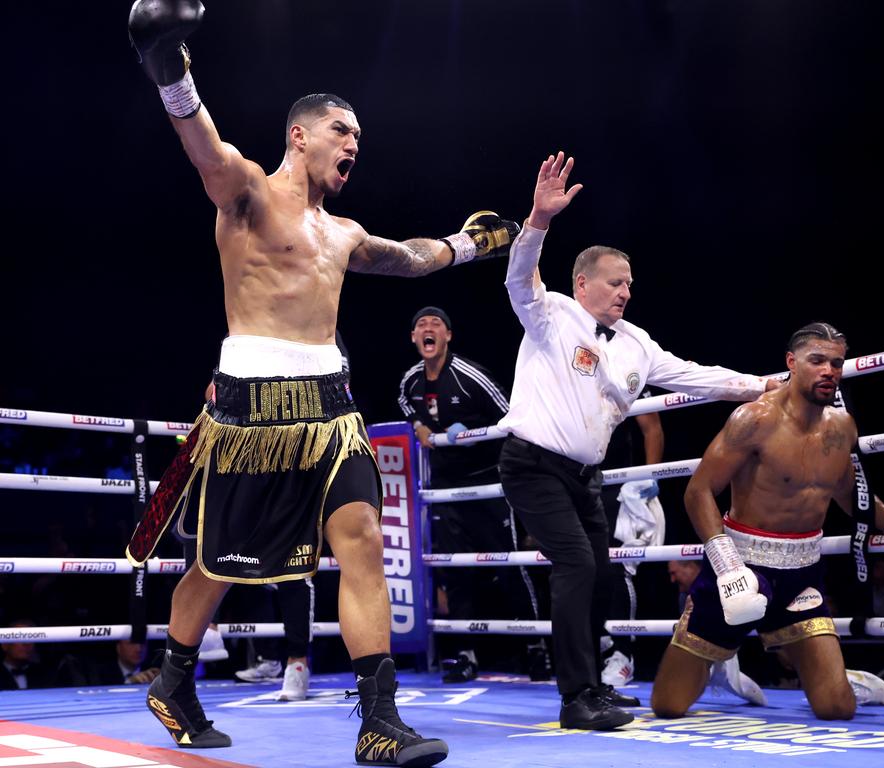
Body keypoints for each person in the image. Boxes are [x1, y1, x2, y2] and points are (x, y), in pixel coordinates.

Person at [126, 3, 518, 763]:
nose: (354, 148)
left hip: (334, 412)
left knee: (363, 541)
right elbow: (201, 145)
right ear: (299, 135)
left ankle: (379, 721)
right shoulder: (244, 193)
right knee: (218, 563)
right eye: (344, 132)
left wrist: (472, 244)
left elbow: (408, 258)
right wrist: (165, 57)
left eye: (360, 140)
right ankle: (173, 681)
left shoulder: (340, 233)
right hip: (254, 412)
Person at [497, 151, 778, 730]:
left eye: (630, 283)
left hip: (584, 476)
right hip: (531, 464)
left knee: (599, 575)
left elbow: (691, 374)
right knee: (575, 565)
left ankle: (596, 685)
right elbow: (517, 277)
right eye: (616, 281)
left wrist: (759, 386)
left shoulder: (636, 343)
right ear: (583, 283)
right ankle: (576, 697)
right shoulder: (550, 312)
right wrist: (539, 220)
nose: (626, 291)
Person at [650, 322, 884, 720]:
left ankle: (845, 680)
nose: (829, 371)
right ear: (791, 362)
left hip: (802, 573)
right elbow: (697, 491)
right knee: (667, 705)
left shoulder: (842, 428)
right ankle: (719, 664)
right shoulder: (754, 419)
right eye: (817, 361)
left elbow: (848, 496)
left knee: (837, 708)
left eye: (836, 363)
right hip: (739, 566)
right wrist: (727, 566)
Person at [398, 306, 546, 683]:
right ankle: (464, 654)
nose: (427, 329)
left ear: (448, 336)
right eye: (421, 325)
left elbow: (510, 418)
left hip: (487, 483)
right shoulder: (412, 381)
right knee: (456, 569)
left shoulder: (469, 376)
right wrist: (418, 424)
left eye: (435, 325)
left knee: (509, 564)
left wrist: (469, 435)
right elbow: (403, 402)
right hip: (446, 489)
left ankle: (535, 649)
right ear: (414, 339)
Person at [597, 402, 664, 687]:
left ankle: (623, 655)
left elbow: (652, 427)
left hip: (618, 484)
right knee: (582, 569)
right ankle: (598, 646)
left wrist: (649, 474)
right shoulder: (571, 369)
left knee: (617, 568)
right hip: (579, 479)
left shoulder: (627, 366)